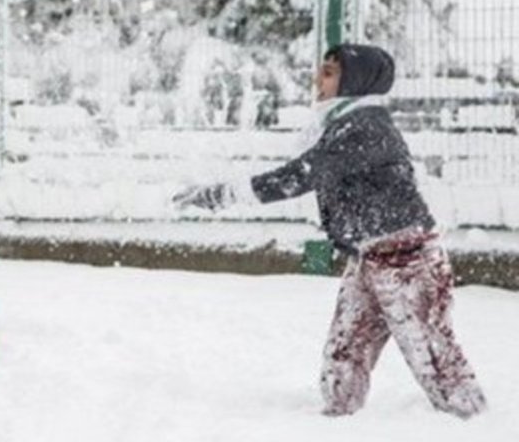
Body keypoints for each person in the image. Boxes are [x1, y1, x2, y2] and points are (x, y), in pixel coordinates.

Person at [173, 44, 486, 419]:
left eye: (328, 72)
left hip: (408, 260)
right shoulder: (343, 124)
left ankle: (472, 421)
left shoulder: (366, 127)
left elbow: (299, 176)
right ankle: (336, 421)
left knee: (432, 354)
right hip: (369, 255)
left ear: (353, 80)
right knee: (346, 348)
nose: (317, 80)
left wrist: (219, 195)